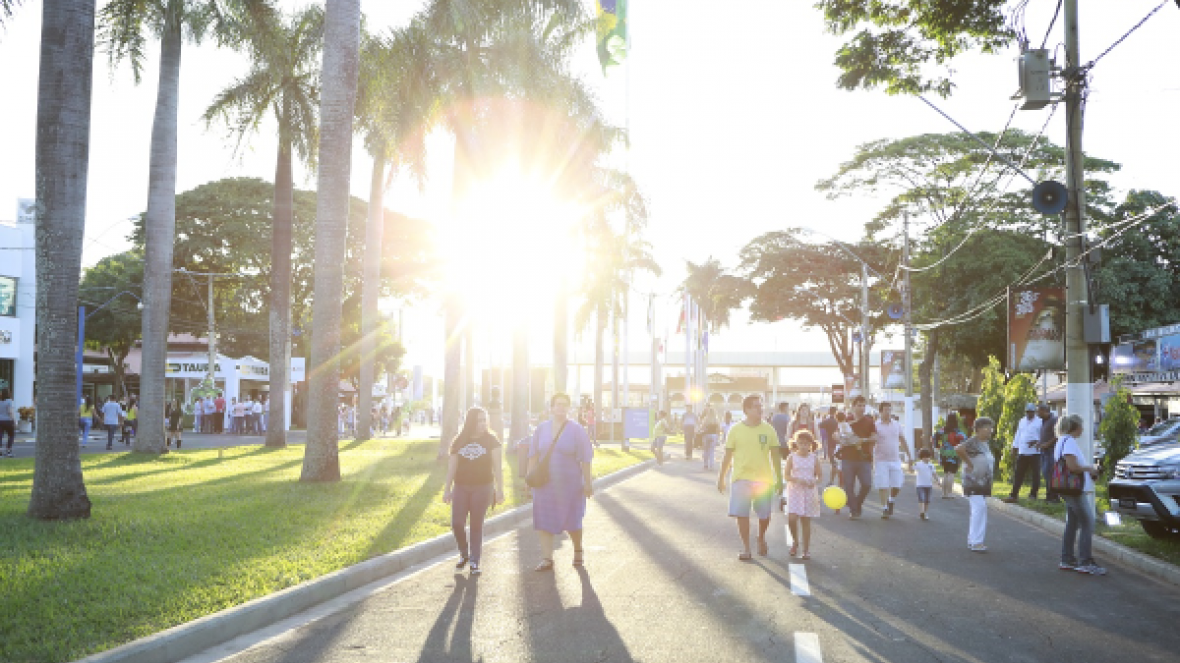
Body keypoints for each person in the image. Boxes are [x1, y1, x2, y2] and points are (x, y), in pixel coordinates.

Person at [528, 393, 595, 572]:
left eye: (564, 404)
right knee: (544, 519)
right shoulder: (541, 429)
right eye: (558, 404)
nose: (561, 407)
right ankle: (547, 558)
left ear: (569, 408)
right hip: (544, 484)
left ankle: (578, 550)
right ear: (551, 407)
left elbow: (585, 459)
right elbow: (533, 455)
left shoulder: (577, 430)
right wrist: (529, 479)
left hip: (570, 485)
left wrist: (587, 483)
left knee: (573, 520)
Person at [717, 395, 783, 560]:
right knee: (742, 514)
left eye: (761, 406)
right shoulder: (735, 430)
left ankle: (761, 537)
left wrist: (779, 479)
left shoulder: (769, 429)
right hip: (741, 478)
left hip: (764, 479)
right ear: (746, 409)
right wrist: (721, 478)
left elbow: (775, 456)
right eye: (756, 406)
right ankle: (746, 548)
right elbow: (727, 456)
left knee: (765, 515)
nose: (760, 409)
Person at [443, 406, 505, 576]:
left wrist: (500, 490)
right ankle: (464, 553)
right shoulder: (459, 441)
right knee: (457, 523)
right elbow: (452, 467)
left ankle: (474, 561)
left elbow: (497, 468)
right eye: (479, 421)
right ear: (470, 422)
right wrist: (447, 489)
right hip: (461, 486)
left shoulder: (492, 441)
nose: (483, 424)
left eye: (484, 420)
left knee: (476, 525)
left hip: (483, 487)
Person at [1054, 414, 1106, 575]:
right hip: (1074, 490)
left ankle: (1067, 558)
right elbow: (1072, 467)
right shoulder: (1069, 441)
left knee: (1072, 523)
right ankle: (1085, 561)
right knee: (1087, 522)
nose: (1083, 429)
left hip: (1066, 488)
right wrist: (1090, 468)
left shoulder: (1061, 440)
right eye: (1081, 426)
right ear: (1075, 427)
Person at [957, 417, 996, 552]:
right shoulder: (973, 441)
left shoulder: (985, 443)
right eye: (987, 427)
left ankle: (974, 540)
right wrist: (969, 464)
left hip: (982, 482)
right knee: (979, 508)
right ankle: (976, 542)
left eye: (991, 427)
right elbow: (959, 449)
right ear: (978, 429)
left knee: (980, 509)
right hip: (973, 482)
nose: (990, 430)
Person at [784, 430, 822, 560]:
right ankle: (795, 541)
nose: (803, 446)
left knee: (805, 520)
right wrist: (797, 479)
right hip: (794, 490)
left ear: (811, 444)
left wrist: (814, 482)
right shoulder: (792, 457)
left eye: (806, 443)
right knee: (792, 519)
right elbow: (786, 475)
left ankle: (806, 550)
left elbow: (819, 476)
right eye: (800, 443)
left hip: (809, 491)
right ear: (796, 443)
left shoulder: (814, 458)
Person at [840, 396, 876, 519]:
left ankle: (857, 503)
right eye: (859, 405)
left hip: (864, 458)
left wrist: (863, 440)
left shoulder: (869, 421)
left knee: (866, 484)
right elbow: (837, 435)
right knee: (849, 485)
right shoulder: (846, 420)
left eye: (863, 405)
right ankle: (854, 510)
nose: (862, 408)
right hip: (847, 457)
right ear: (853, 406)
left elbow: (874, 437)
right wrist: (841, 439)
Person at [1004, 403, 1044, 503]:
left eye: (1031, 412)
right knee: (1018, 474)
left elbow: (1043, 436)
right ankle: (1013, 495)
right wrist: (1014, 447)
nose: (1029, 414)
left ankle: (1033, 494)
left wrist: (1036, 442)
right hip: (1023, 451)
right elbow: (1018, 434)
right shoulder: (1022, 421)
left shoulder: (1040, 422)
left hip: (1035, 452)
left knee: (1035, 475)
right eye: (1027, 412)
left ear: (1034, 412)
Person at [873, 402, 905, 518]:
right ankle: (884, 508)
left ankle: (891, 499)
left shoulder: (896, 425)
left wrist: (910, 456)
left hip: (895, 459)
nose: (888, 412)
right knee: (883, 485)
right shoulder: (876, 425)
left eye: (889, 410)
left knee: (897, 484)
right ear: (881, 411)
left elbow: (902, 439)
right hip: (881, 460)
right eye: (886, 410)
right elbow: (872, 442)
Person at [935, 412, 965, 498]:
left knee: (945, 473)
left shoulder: (942, 430)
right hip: (954, 454)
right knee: (951, 473)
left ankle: (944, 493)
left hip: (943, 453)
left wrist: (938, 446)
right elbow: (964, 439)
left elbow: (935, 437)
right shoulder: (957, 431)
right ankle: (949, 493)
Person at [1037, 404, 1061, 502]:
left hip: (1051, 451)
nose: (1037, 413)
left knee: (1050, 473)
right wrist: (1040, 443)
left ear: (1044, 411)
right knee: (1046, 474)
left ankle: (1054, 496)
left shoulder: (1054, 420)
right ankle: (1049, 495)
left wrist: (1048, 444)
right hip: (1044, 451)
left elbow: (1057, 435)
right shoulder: (1044, 421)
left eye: (1039, 411)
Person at [915, 448, 936, 520]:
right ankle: (922, 511)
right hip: (920, 485)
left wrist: (938, 481)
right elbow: (912, 469)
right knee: (921, 499)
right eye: (925, 457)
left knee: (927, 500)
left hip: (929, 485)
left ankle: (925, 512)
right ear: (921, 457)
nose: (927, 459)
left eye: (928, 457)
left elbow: (934, 473)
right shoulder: (918, 464)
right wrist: (910, 465)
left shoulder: (931, 465)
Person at [0, 389, 15, 457]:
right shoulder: (9, 401)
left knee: (0, 435)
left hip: (0, 421)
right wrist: (14, 420)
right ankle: (8, 451)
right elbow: (10, 412)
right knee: (11, 435)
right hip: (8, 421)